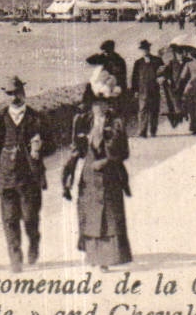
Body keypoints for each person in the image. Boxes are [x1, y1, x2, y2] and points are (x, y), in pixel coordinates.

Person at [64, 69, 131, 269]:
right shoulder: (83, 121)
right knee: (90, 214)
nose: (102, 107)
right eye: (98, 104)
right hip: (89, 176)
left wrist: (108, 160)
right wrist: (67, 176)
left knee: (109, 215)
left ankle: (107, 259)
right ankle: (93, 256)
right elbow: (76, 149)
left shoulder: (116, 123)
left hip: (110, 175)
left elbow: (123, 152)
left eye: (106, 103)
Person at [0, 76, 45, 272]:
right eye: (9, 94)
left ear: (23, 93)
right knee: (9, 218)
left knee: (30, 216)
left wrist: (39, 146)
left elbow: (51, 145)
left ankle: (34, 241)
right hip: (6, 177)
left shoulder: (36, 118)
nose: (14, 97)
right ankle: (15, 257)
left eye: (17, 93)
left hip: (29, 177)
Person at [131, 40, 163, 138]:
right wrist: (135, 90)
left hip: (154, 89)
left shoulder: (157, 60)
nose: (145, 51)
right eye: (143, 49)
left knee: (154, 110)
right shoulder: (138, 62)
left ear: (149, 49)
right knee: (142, 110)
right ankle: (142, 132)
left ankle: (153, 130)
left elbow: (164, 72)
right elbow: (134, 77)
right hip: (142, 90)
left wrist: (161, 78)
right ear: (141, 50)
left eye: (146, 49)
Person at [158, 44, 185, 129]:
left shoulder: (187, 61)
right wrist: (168, 78)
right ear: (175, 54)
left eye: (181, 53)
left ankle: (183, 118)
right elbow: (166, 72)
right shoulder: (172, 63)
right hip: (175, 85)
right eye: (178, 53)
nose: (180, 55)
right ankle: (176, 120)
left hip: (185, 85)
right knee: (175, 103)